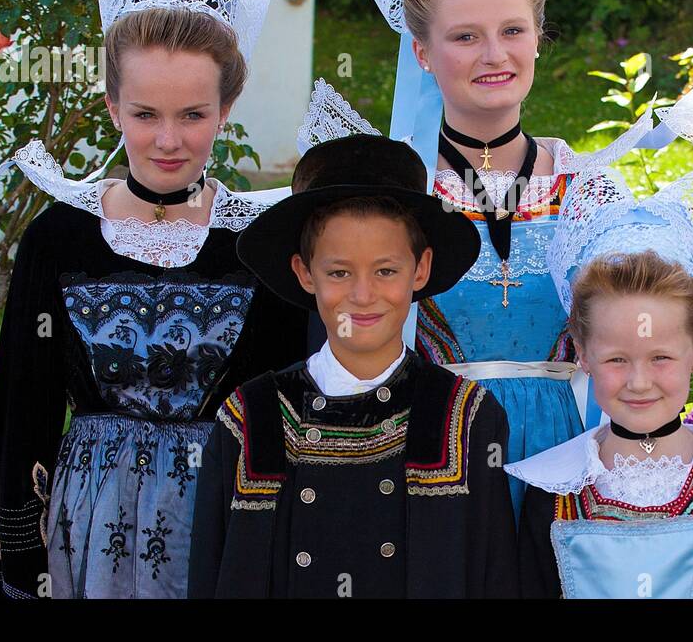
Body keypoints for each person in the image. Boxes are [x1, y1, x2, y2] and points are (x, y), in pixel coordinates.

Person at [0, 0, 310, 598]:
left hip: (225, 526)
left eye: (194, 114)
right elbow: (19, 412)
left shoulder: (260, 244)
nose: (167, 139)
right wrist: (12, 571)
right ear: (111, 104)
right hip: (84, 534)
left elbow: (290, 417)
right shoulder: (58, 238)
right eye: (145, 113)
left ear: (227, 109)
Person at [296, 0, 636, 518]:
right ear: (421, 52)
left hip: (566, 470)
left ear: (538, 39)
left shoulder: (591, 190)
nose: (494, 55)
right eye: (464, 36)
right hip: (428, 461)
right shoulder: (395, 197)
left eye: (513, 30)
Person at [188, 134, 518, 598]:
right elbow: (210, 575)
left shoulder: (464, 417)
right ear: (305, 273)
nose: (362, 296)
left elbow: (494, 576)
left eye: (386, 271)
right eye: (339, 272)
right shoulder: (249, 418)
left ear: (420, 270)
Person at [508, 168, 693, 599]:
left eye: (660, 357)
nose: (639, 382)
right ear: (582, 353)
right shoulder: (552, 493)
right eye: (617, 359)